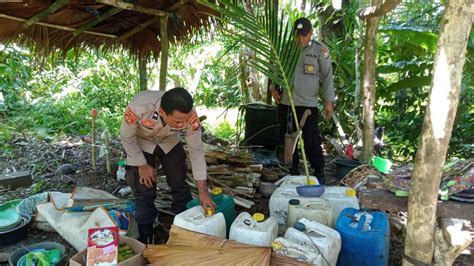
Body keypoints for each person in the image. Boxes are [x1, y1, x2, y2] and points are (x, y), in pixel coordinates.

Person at [120, 87, 215, 243]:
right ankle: (146, 237)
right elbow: (126, 136)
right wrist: (142, 165)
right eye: (177, 121)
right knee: (144, 188)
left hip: (170, 142)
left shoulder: (190, 117)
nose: (182, 124)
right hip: (141, 142)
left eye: (185, 120)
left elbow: (196, 151)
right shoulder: (139, 107)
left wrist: (203, 190)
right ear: (163, 112)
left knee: (179, 182)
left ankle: (183, 226)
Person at [271, 17, 335, 185]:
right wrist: (273, 87)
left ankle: (318, 171)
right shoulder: (286, 50)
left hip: (308, 106)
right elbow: (277, 70)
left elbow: (327, 76)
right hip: (287, 103)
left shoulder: (320, 50)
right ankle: (292, 171)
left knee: (312, 139)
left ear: (311, 33)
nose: (301, 39)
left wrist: (329, 101)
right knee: (288, 140)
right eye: (298, 35)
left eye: (305, 35)